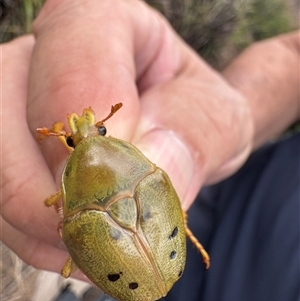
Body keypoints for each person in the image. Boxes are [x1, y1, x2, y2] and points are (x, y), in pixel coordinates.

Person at [1, 1, 299, 300]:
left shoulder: (77, 213)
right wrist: (232, 114)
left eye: (97, 132)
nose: (91, 131)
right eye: (95, 133)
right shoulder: (139, 179)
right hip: (206, 231)